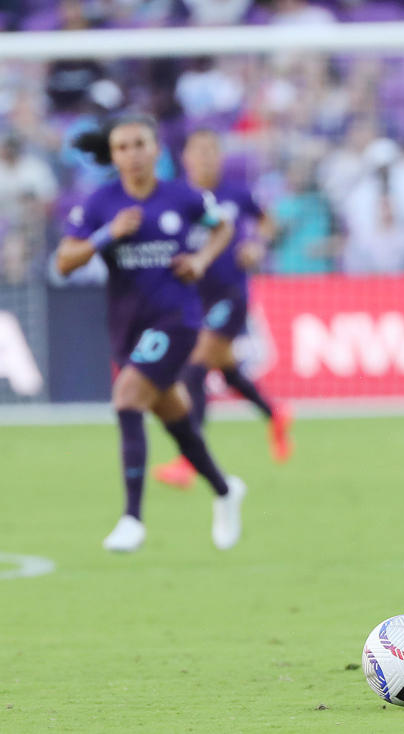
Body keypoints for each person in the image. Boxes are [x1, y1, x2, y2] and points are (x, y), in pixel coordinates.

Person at [55, 115, 247, 552]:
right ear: (114, 155)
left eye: (140, 143)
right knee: (172, 412)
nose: (132, 153)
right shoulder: (101, 203)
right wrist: (107, 234)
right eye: (122, 147)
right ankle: (224, 488)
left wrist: (200, 260)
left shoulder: (183, 196)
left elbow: (224, 227)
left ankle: (132, 519)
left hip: (177, 320)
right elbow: (65, 261)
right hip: (127, 328)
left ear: (156, 149)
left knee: (127, 397)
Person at [153, 129, 291, 490]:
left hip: (230, 295)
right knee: (226, 370)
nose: (205, 158)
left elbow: (266, 220)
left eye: (211, 151)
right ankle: (275, 414)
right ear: (186, 159)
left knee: (194, 370)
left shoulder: (237, 193)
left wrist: (257, 246)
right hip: (194, 298)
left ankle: (187, 460)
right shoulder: (178, 197)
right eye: (198, 152)